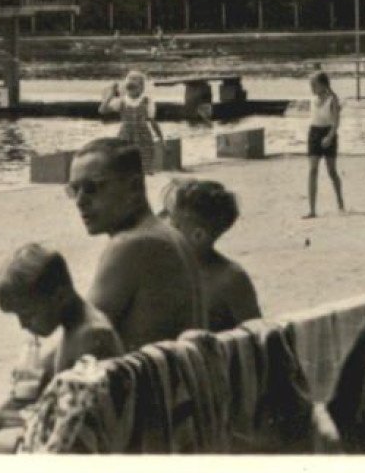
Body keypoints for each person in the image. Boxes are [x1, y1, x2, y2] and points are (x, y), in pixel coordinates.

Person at [0, 244, 124, 453]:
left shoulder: (91, 338)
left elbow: (71, 431)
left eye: (27, 314)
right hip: (53, 431)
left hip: (61, 446)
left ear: (58, 296)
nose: (23, 325)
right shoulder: (75, 326)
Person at [66, 137, 205, 349]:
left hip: (155, 380)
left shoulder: (130, 245)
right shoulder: (171, 235)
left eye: (92, 187)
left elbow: (82, 339)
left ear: (134, 187)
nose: (80, 201)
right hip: (180, 375)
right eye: (74, 189)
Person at [161, 179, 262, 332]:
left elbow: (256, 337)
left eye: (173, 222)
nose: (161, 223)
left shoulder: (230, 279)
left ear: (198, 236)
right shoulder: (161, 267)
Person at [99, 69, 166, 171]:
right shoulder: (122, 101)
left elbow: (153, 122)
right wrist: (110, 96)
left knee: (143, 166)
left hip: (143, 138)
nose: (132, 91)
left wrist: (161, 139)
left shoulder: (146, 101)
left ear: (141, 88)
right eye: (129, 88)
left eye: (135, 87)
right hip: (125, 137)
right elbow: (102, 110)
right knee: (125, 167)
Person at [305, 71, 346, 217]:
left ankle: (340, 202)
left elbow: (336, 123)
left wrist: (329, 137)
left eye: (314, 84)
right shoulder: (312, 99)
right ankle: (312, 210)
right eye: (311, 85)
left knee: (331, 171)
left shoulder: (333, 99)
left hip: (328, 132)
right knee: (312, 170)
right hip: (314, 133)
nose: (312, 88)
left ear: (322, 84)